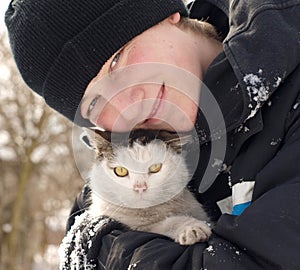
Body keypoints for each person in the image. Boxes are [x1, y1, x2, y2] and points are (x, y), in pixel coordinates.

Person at [5, 0, 300, 269]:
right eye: (95, 103)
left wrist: (106, 247)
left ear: (164, 15)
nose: (126, 103)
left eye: (118, 60)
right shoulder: (123, 164)